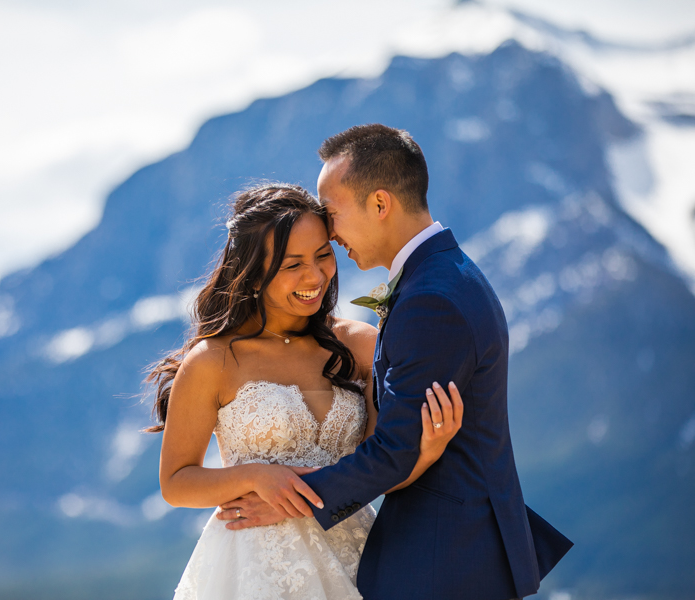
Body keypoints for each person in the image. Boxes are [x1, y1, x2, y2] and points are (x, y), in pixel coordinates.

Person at [217, 125, 573, 600]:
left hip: (443, 560)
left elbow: (394, 450)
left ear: (380, 204)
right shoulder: (447, 275)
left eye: (333, 213)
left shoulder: (431, 300)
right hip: (453, 551)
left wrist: (287, 500)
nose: (330, 231)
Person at [146, 182, 464, 599]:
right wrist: (257, 476)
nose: (314, 276)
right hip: (254, 570)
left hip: (357, 556)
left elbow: (380, 469)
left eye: (322, 255)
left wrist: (428, 450)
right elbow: (176, 482)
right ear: (253, 272)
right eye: (291, 264)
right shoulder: (211, 361)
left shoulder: (362, 345)